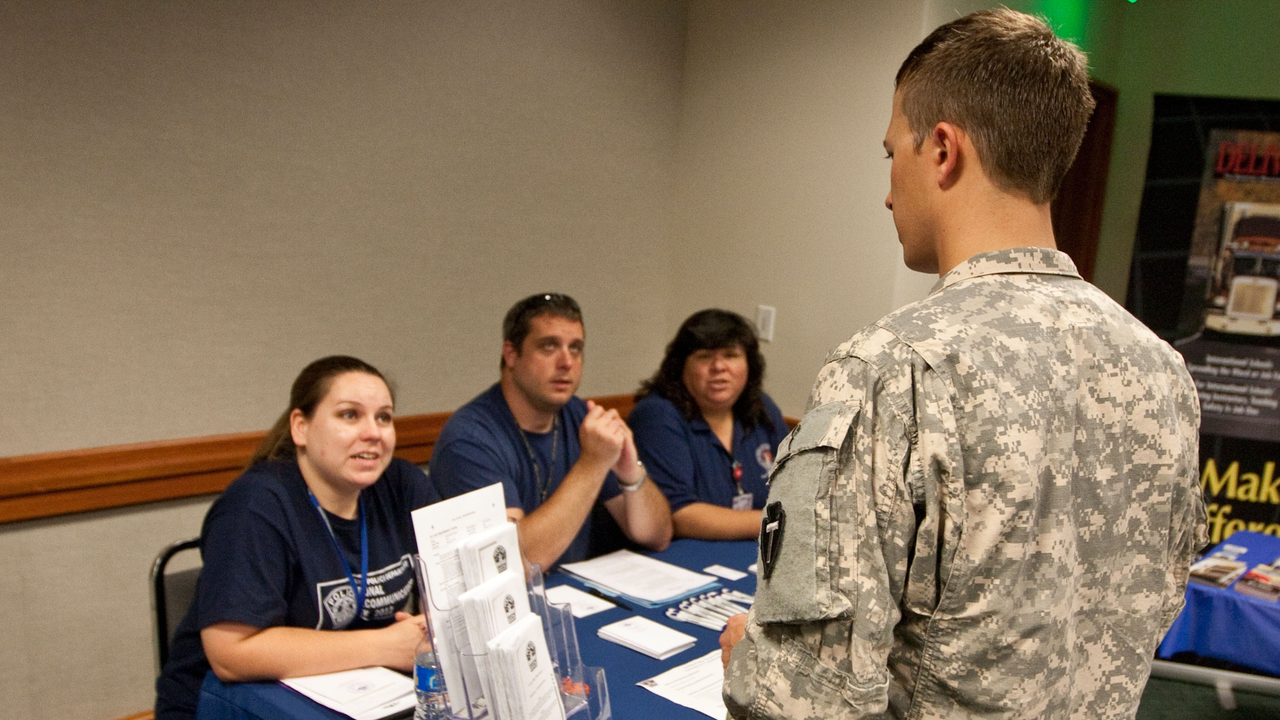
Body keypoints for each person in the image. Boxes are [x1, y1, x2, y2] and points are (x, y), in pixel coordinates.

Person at [721, 10, 1207, 720]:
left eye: (893, 155)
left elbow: (806, 701)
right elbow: (1153, 605)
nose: (889, 189)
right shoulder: (1163, 371)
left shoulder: (893, 367)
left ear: (942, 149)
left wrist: (752, 668)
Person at [155, 356, 440, 720]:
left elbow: (458, 580)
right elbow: (231, 654)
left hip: (361, 695)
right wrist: (386, 646)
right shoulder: (255, 506)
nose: (374, 432)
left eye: (383, 417)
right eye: (350, 415)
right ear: (300, 428)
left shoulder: (401, 484)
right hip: (235, 705)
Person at [430, 293, 672, 569]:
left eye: (576, 348)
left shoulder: (581, 416)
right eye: (549, 347)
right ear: (511, 354)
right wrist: (593, 463)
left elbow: (657, 536)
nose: (567, 362)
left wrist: (631, 472)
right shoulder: (469, 440)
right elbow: (511, 562)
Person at [629, 309, 789, 540]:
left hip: (757, 549)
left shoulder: (761, 407)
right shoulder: (657, 415)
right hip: (685, 556)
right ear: (681, 367)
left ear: (749, 365)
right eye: (704, 356)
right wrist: (779, 521)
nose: (718, 367)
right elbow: (680, 516)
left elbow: (796, 480)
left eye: (731, 355)